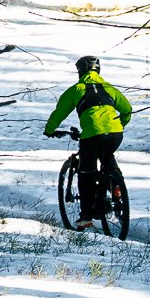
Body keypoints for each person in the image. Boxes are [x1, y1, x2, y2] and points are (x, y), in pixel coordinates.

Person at [43, 54, 133, 228]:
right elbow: (127, 109)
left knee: (86, 173)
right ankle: (116, 186)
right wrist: (119, 124)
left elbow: (59, 112)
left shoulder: (77, 89)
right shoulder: (109, 88)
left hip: (92, 135)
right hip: (115, 133)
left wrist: (49, 130)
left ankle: (85, 216)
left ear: (80, 71)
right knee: (108, 159)